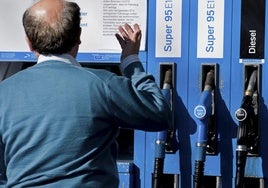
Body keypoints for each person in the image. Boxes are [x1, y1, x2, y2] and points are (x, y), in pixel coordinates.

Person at [0, 0, 171, 187]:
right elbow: (159, 114)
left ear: (29, 43)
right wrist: (131, 61)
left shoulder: (4, 93)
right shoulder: (103, 84)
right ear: (78, 36)